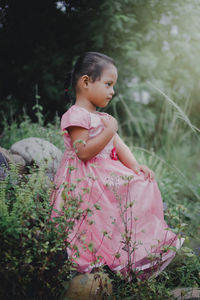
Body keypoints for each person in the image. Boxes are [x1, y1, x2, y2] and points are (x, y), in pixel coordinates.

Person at [50, 52, 184, 279]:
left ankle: (134, 252)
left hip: (104, 174)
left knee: (140, 184)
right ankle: (98, 260)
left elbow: (119, 146)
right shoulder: (76, 115)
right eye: (108, 84)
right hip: (85, 179)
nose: (112, 91)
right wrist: (110, 129)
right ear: (85, 82)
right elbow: (83, 151)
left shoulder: (103, 117)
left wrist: (134, 166)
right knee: (92, 220)